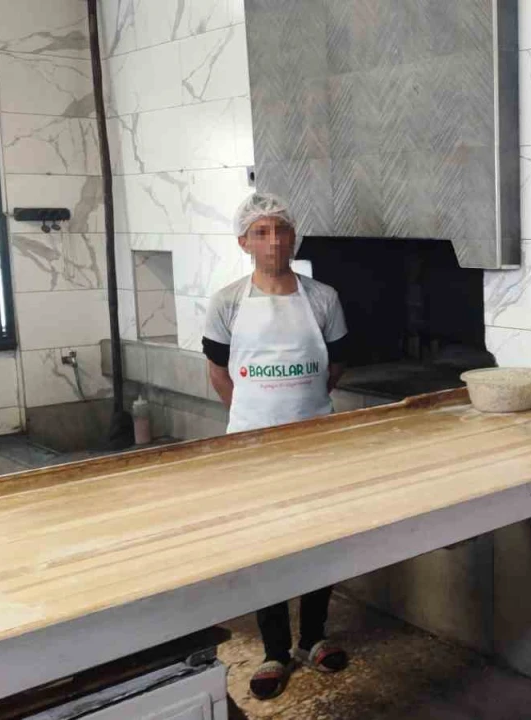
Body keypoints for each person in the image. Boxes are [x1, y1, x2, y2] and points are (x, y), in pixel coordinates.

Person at [202, 192, 352, 700]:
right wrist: (253, 419)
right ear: (244, 242)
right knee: (265, 545)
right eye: (261, 232)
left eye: (281, 230)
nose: (273, 241)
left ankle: (313, 638)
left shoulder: (323, 298)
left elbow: (335, 364)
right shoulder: (227, 302)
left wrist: (301, 407)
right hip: (253, 446)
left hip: (314, 441)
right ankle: (274, 651)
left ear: (294, 237)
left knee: (318, 538)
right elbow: (218, 372)